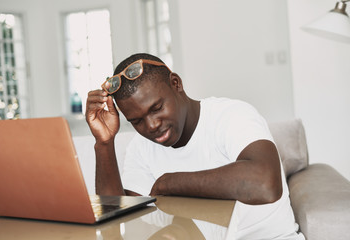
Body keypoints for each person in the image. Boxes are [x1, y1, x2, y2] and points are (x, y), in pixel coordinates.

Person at [85, 53, 304, 239]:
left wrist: (169, 183)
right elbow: (116, 221)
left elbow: (265, 184)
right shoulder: (140, 148)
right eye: (137, 121)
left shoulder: (231, 116)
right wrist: (104, 143)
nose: (152, 126)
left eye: (157, 108)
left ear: (176, 84)